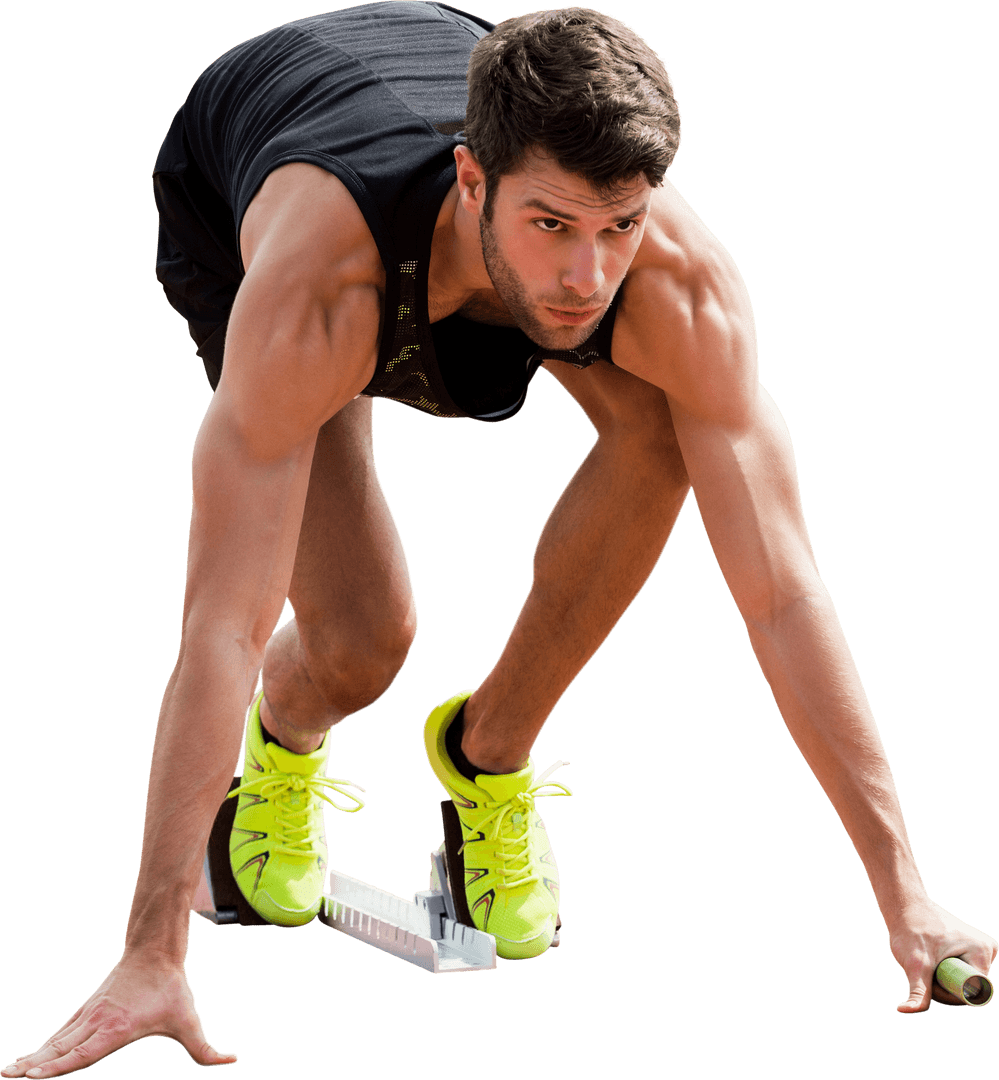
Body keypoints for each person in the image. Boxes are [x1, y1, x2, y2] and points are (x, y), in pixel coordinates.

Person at [3, 3, 995, 1077]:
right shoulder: (313, 292)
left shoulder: (677, 287)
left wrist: (907, 893)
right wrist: (152, 948)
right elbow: (222, 626)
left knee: (664, 429)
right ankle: (280, 743)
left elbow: (784, 594)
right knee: (361, 644)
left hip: (440, 57)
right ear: (474, 180)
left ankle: (488, 755)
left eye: (621, 225)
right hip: (267, 177)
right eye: (555, 225)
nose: (589, 277)